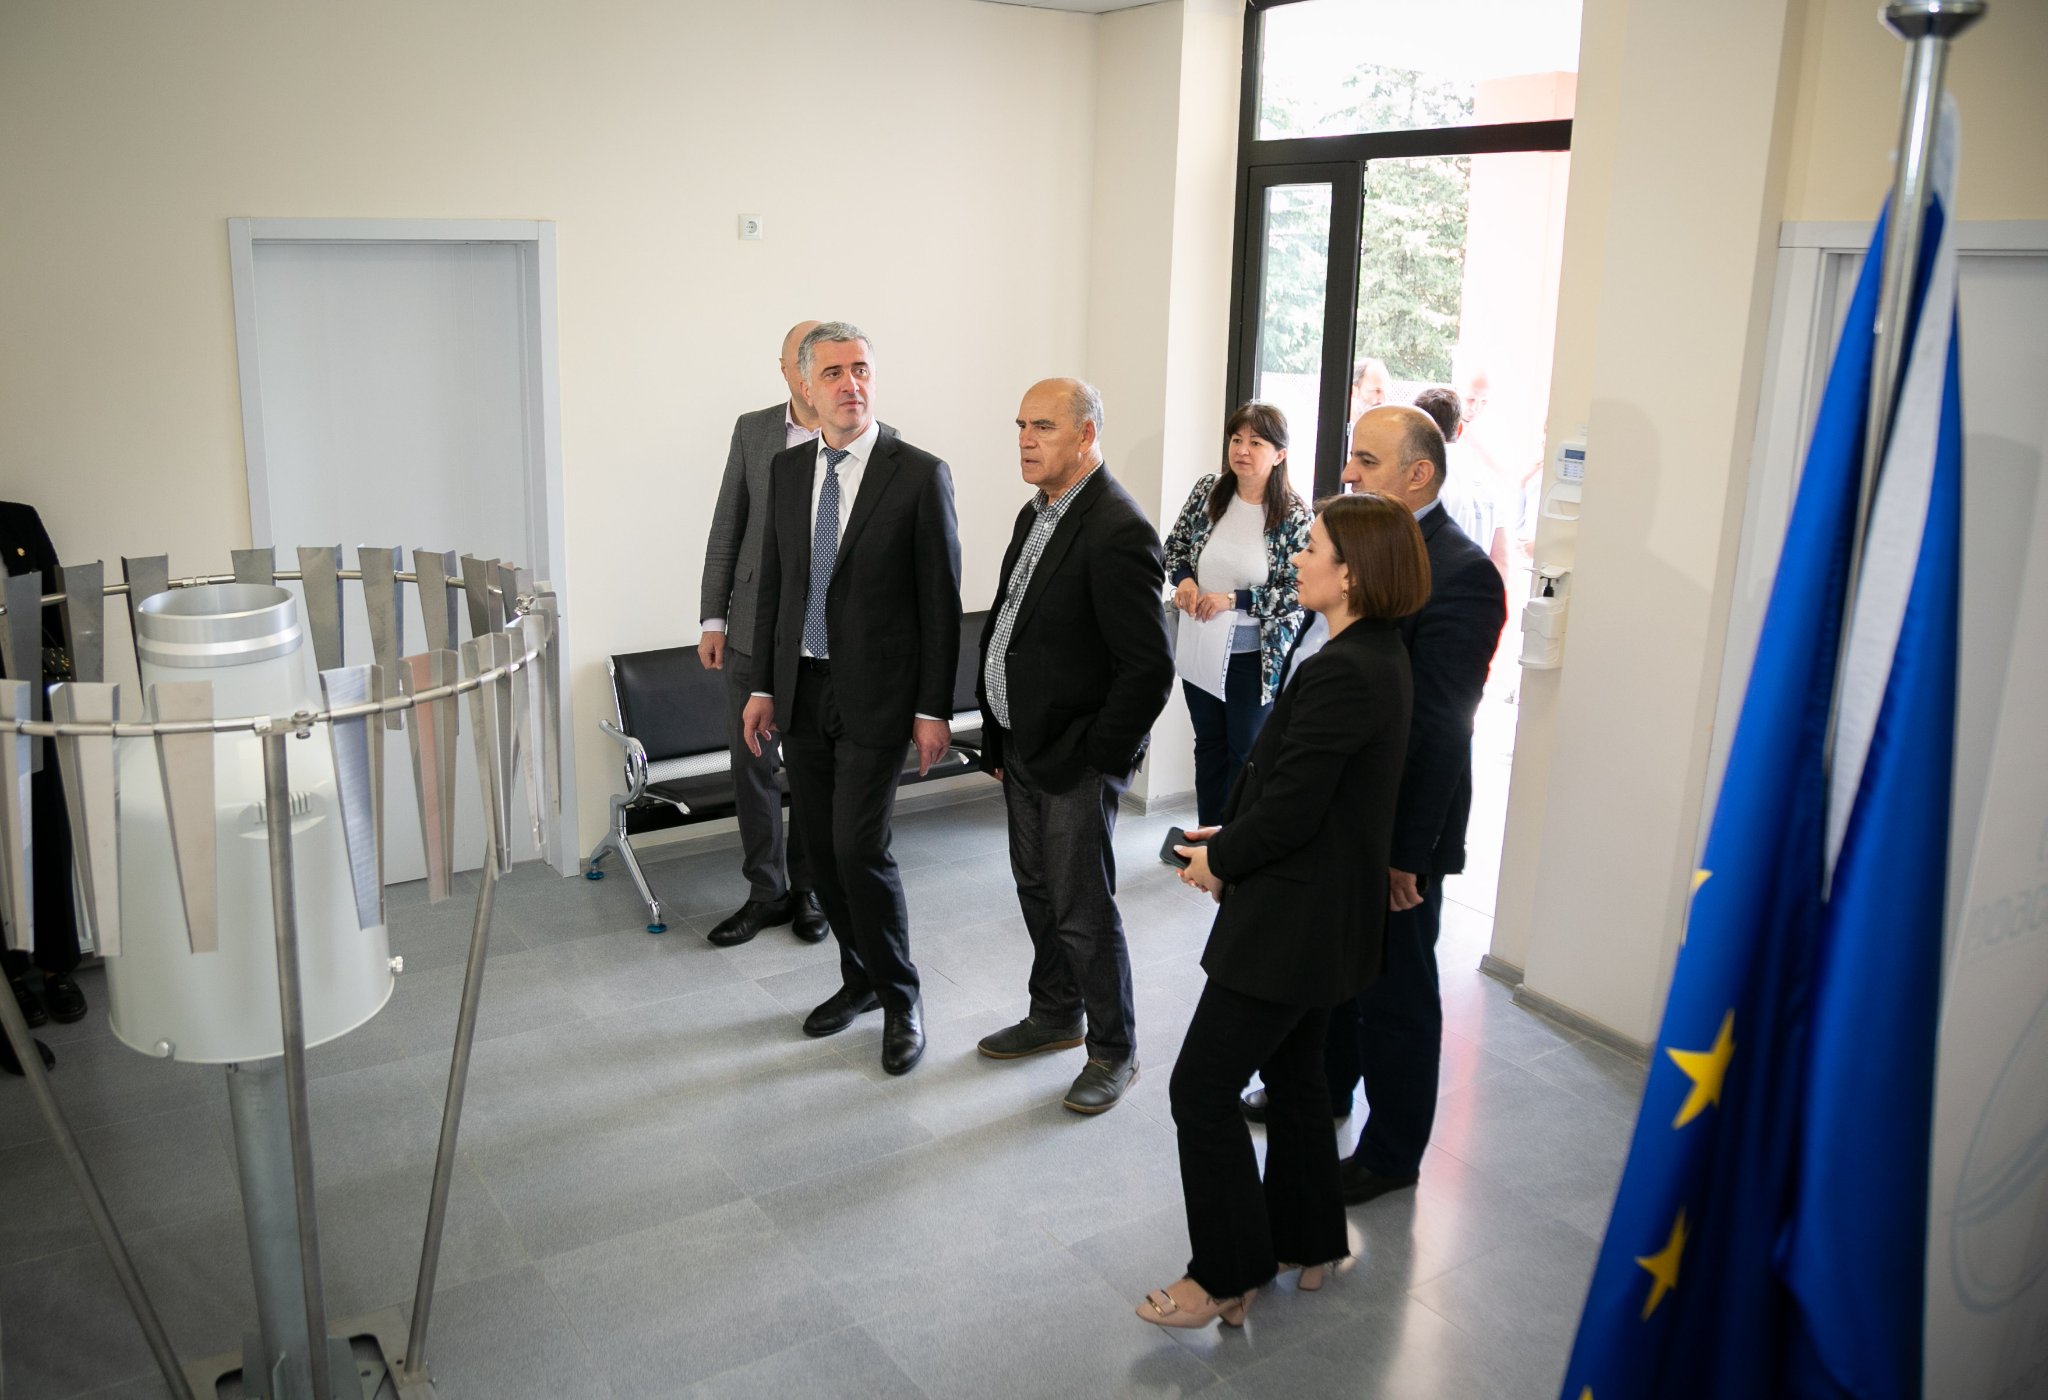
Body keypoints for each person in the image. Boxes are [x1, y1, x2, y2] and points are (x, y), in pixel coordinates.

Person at [1138, 492, 1427, 1329]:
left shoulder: (1347, 668)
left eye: (1314, 549)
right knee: (1299, 1078)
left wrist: (1222, 861)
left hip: (1292, 923)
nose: (1297, 557)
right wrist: (1228, 832)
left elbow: (1296, 809)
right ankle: (1308, 1236)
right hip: (1326, 917)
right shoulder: (1374, 653)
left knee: (1201, 1089)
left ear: (1352, 574)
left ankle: (1227, 1272)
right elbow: (1310, 791)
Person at [1297, 405, 1505, 1202]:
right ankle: (1327, 1092)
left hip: (1397, 833)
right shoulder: (1362, 547)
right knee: (1340, 972)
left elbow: (1440, 730)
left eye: (1366, 461)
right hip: (1343, 816)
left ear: (1419, 475)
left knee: (1396, 994)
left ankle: (1391, 1153)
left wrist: (1403, 855)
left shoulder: (1461, 574)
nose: (1347, 473)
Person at [742, 323, 961, 1076]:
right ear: (806, 386)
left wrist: (934, 709)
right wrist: (764, 686)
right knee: (820, 853)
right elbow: (776, 587)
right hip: (802, 691)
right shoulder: (787, 470)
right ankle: (859, 978)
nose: (850, 384)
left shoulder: (918, 473)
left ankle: (902, 999)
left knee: (860, 848)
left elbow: (940, 603)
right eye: (833, 372)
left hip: (879, 697)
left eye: (860, 369)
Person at [973, 379, 1173, 1115]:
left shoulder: (1116, 527)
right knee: (1037, 889)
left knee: (1082, 907)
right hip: (1023, 744)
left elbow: (1148, 668)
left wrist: (1097, 757)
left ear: (1086, 436)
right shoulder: (1038, 513)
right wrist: (999, 732)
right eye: (1021, 425)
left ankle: (1114, 1050)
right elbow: (1014, 628)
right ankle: (1056, 1013)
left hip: (1073, 759)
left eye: (1044, 427)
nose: (1026, 440)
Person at [696, 321, 831, 947]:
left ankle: (809, 889)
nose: (812, 373)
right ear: (787, 370)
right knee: (751, 765)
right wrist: (713, 618)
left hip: (821, 634)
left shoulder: (859, 433)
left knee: (811, 768)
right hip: (752, 624)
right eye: (801, 361)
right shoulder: (752, 430)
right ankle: (765, 891)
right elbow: (728, 525)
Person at [1163, 403, 1311, 825]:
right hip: (1201, 645)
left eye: (1256, 443)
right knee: (1208, 744)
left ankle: (1235, 841)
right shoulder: (1209, 491)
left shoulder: (1294, 515)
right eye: (1236, 440)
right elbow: (1173, 547)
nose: (1242, 450)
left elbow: (1298, 592)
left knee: (1246, 753)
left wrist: (1235, 600)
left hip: (1253, 658)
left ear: (1280, 454)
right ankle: (1205, 836)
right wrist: (1185, 581)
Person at [1, 500, 84, 1075]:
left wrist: (64, 692)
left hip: (31, 701)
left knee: (47, 831)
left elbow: (55, 604)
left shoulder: (17, 520)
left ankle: (57, 967)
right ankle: (10, 980)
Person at [1414, 386, 1509, 579]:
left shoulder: (1423, 480)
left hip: (1437, 591)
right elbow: (1501, 562)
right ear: (1459, 429)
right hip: (1478, 591)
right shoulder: (1488, 479)